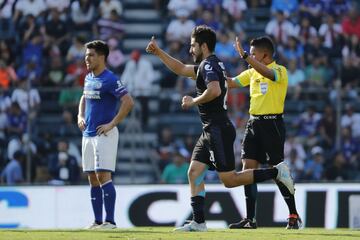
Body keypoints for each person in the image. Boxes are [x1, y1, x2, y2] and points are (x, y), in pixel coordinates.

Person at [146, 25, 294, 232]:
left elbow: (215, 90)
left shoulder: (209, 66)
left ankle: (275, 173)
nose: (190, 50)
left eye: (193, 46)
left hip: (218, 128)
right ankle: (198, 222)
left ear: (203, 46)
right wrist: (159, 52)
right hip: (211, 129)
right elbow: (180, 69)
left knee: (230, 180)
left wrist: (193, 101)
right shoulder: (209, 65)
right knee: (194, 171)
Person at [226, 36, 301, 229]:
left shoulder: (279, 71)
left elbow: (268, 73)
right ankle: (250, 219)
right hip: (253, 124)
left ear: (265, 54)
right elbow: (232, 82)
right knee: (247, 169)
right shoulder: (251, 72)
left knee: (278, 171)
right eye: (249, 53)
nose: (250, 56)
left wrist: (244, 56)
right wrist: (205, 75)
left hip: (272, 125)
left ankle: (293, 215)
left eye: (253, 53)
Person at [77, 40, 134, 229]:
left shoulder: (110, 79)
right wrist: (80, 115)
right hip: (88, 133)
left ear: (102, 57)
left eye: (91, 55)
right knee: (92, 177)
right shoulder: (89, 77)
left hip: (104, 134)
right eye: (86, 55)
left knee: (103, 176)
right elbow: (84, 97)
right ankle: (97, 221)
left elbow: (128, 102)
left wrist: (112, 124)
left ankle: (110, 221)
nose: (87, 59)